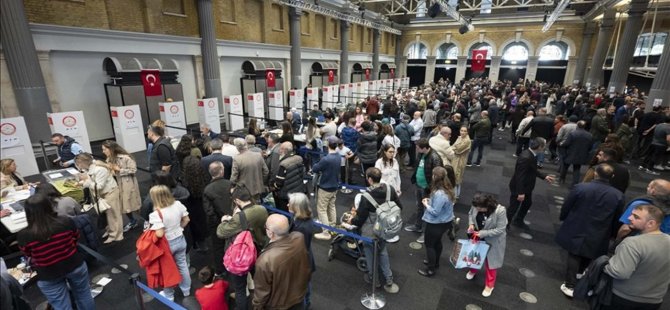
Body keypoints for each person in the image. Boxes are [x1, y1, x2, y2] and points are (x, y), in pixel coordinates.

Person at [555, 164, 624, 298]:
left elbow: (567, 205)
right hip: (601, 229)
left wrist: (563, 217)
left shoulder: (581, 187)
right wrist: (613, 233)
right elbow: (617, 217)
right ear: (612, 176)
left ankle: (570, 284)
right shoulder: (618, 195)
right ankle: (580, 274)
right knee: (590, 251)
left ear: (595, 173)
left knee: (574, 253)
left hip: (578, 224)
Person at [17, 194, 95, 310]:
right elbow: (76, 238)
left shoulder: (24, 235)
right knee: (84, 295)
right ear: (49, 207)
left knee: (61, 306)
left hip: (48, 273)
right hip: (74, 264)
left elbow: (29, 254)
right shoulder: (66, 222)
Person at [603, 204, 670, 310]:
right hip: (655, 301)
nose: (629, 218)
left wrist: (605, 265)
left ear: (651, 223)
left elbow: (620, 272)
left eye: (636, 217)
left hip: (624, 299)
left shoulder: (632, 243)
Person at [349, 167, 401, 294]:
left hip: (370, 230)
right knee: (383, 252)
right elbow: (400, 206)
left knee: (370, 254)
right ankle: (389, 279)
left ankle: (375, 280)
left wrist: (351, 220)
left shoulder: (366, 197)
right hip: (386, 228)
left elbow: (360, 219)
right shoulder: (390, 189)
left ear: (370, 179)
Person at [217, 185, 269, 310]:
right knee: (260, 283)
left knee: (240, 290)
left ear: (237, 201)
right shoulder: (262, 209)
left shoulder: (240, 217)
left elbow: (221, 232)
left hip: (242, 256)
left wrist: (225, 220)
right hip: (259, 251)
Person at [253, 214, 311, 309]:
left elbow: (261, 293)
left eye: (266, 227)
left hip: (279, 305)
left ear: (270, 233)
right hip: (299, 296)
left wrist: (257, 307)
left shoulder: (265, 260)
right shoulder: (299, 237)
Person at [147, 185, 191, 302]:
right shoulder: (177, 204)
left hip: (167, 245)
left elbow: (160, 234)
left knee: (167, 270)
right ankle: (186, 290)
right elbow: (186, 219)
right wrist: (178, 229)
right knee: (183, 265)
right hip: (181, 240)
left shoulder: (156, 213)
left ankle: (169, 295)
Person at [465, 193, 508, 297]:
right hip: (478, 236)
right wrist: (471, 224)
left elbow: (500, 229)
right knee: (474, 256)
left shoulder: (500, 211)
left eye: (480, 209)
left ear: (487, 206)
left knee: (491, 263)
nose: (477, 210)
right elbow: (470, 214)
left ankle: (489, 285)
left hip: (493, 240)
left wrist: (482, 233)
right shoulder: (476, 204)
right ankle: (473, 270)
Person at [507, 137, 555, 229]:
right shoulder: (526, 157)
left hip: (526, 187)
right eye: (544, 146)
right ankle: (505, 225)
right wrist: (520, 192)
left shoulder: (531, 154)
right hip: (519, 187)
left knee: (527, 203)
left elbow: (532, 169)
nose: (545, 148)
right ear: (540, 147)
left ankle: (518, 220)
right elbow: (519, 176)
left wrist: (544, 177)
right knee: (513, 207)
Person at [75, 153, 123, 244]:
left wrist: (86, 180)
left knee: (113, 215)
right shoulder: (90, 168)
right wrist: (82, 183)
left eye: (78, 164)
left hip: (110, 193)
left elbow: (99, 186)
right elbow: (92, 182)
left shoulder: (100, 169)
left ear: (82, 162)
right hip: (103, 194)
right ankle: (110, 231)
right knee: (106, 214)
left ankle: (116, 236)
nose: (77, 166)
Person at [418, 166, 456, 277]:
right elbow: (441, 205)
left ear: (435, 177)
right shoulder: (448, 188)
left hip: (436, 223)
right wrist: (430, 201)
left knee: (429, 245)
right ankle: (435, 263)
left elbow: (435, 212)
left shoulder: (439, 193)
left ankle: (430, 269)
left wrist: (425, 204)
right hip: (445, 222)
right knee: (437, 242)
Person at [288, 192, 322, 308]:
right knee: (305, 284)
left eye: (290, 204)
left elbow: (297, 247)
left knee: (302, 287)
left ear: (297, 207)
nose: (287, 205)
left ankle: (305, 304)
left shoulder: (301, 227)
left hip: (301, 261)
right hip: (306, 257)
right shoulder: (303, 220)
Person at [405, 138, 444, 239]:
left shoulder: (435, 157)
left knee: (429, 210)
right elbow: (418, 167)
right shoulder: (421, 154)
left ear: (424, 148)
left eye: (418, 148)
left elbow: (438, 176)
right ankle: (418, 226)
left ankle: (426, 233)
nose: (416, 149)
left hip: (428, 188)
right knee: (419, 207)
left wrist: (431, 188)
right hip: (418, 185)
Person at [102, 141, 142, 232]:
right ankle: (132, 221)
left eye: (104, 149)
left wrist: (120, 170)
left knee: (134, 204)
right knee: (123, 205)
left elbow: (133, 170)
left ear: (111, 149)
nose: (103, 151)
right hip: (116, 185)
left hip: (128, 184)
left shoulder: (125, 158)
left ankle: (146, 220)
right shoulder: (109, 159)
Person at [202, 161, 232, 276]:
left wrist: (218, 223)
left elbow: (209, 211)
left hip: (217, 224)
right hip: (233, 220)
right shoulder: (231, 184)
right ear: (222, 171)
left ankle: (220, 270)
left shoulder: (207, 190)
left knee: (218, 247)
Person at [312, 136, 341, 240]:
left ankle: (325, 232)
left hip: (325, 187)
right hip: (335, 186)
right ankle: (332, 226)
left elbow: (315, 168)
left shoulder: (327, 159)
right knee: (332, 206)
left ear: (328, 145)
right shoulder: (338, 156)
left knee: (322, 209)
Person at [230, 138, 269, 202]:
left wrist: (232, 186)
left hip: (244, 190)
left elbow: (234, 177)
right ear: (246, 145)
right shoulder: (258, 155)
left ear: (237, 147)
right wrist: (260, 181)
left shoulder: (237, 159)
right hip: (257, 188)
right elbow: (266, 171)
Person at [272, 142, 306, 212]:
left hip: (285, 195)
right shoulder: (299, 158)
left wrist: (273, 187)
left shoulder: (283, 164)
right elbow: (303, 173)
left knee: (285, 213)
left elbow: (279, 183)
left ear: (284, 150)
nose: (279, 150)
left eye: (281, 149)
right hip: (298, 191)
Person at [559, 121, 592, 186]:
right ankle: (575, 183)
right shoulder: (589, 135)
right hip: (581, 154)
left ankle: (562, 179)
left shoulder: (573, 133)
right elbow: (590, 146)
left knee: (565, 167)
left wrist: (561, 144)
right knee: (577, 169)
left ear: (577, 125)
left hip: (570, 152)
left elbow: (567, 143)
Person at [451, 126, 471, 199]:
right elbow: (453, 147)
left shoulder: (467, 141)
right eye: (461, 130)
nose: (462, 132)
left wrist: (454, 148)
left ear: (467, 132)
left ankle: (455, 196)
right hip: (455, 159)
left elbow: (458, 150)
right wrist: (454, 147)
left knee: (457, 178)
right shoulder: (459, 138)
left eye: (464, 131)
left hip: (460, 161)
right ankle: (456, 194)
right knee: (454, 177)